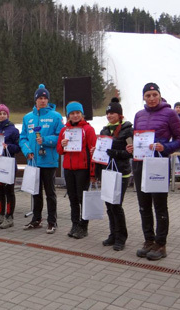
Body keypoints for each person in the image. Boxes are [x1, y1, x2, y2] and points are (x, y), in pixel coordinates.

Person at [131, 83, 180, 260]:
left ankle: (160, 244)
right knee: (143, 203)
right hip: (140, 162)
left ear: (160, 95)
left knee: (159, 204)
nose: (152, 98)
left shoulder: (170, 113)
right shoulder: (139, 115)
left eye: (155, 94)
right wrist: (132, 146)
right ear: (143, 98)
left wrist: (165, 147)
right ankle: (148, 240)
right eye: (148, 95)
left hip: (158, 162)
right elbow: (136, 136)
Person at [20, 84, 64, 234]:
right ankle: (36, 219)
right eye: (40, 98)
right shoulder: (28, 118)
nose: (43, 101)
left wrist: (44, 140)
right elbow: (23, 138)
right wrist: (27, 151)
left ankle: (52, 221)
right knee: (36, 192)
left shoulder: (56, 116)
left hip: (49, 161)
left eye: (45, 98)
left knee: (50, 193)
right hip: (34, 161)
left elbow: (60, 137)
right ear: (35, 100)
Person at [96, 99, 133, 250]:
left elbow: (131, 152)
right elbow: (102, 153)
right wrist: (96, 152)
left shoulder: (127, 130)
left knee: (116, 205)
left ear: (120, 114)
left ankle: (121, 237)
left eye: (113, 113)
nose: (110, 115)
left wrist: (115, 152)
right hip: (108, 173)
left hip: (121, 173)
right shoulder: (104, 131)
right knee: (109, 206)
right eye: (108, 113)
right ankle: (113, 234)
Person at [57, 101, 97, 239]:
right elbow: (59, 151)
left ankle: (83, 226)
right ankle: (75, 224)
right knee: (73, 198)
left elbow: (93, 152)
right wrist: (62, 145)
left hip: (82, 169)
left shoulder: (88, 129)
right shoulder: (64, 130)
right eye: (72, 113)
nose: (75, 116)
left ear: (82, 114)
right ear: (68, 115)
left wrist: (93, 173)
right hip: (68, 169)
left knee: (82, 198)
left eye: (77, 113)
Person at [0, 104, 20, 229]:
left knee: (9, 192)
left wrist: (8, 147)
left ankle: (9, 217)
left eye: (4, 113)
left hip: (7, 166)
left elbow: (18, 148)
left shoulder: (13, 130)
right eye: (0, 113)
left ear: (7, 115)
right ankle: (0, 215)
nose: (2, 116)